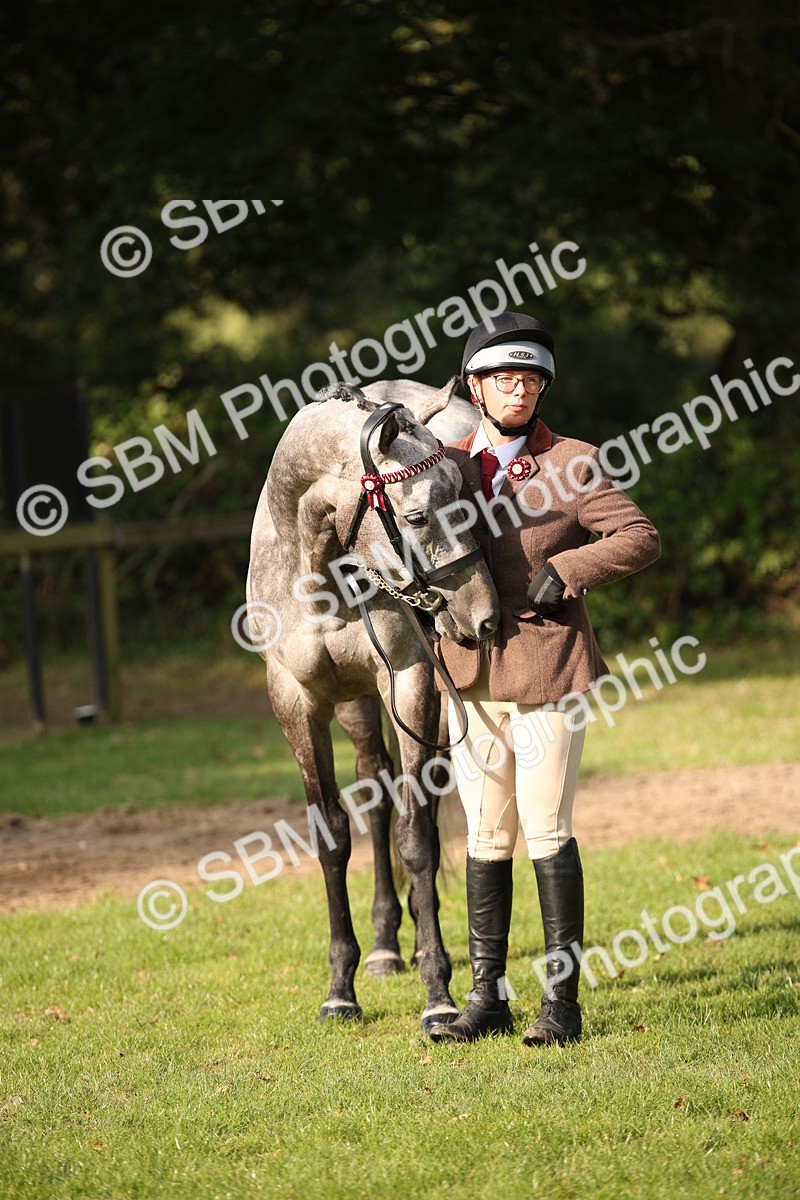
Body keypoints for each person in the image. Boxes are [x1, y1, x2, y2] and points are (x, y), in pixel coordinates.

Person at [428, 312, 661, 1046]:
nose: (518, 389)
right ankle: (487, 999)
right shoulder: (442, 465)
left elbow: (640, 536)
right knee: (485, 834)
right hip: (469, 671)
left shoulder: (574, 461)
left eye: (529, 378)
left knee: (546, 827)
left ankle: (562, 1005)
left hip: (550, 666)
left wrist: (569, 567)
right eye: (503, 378)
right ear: (475, 387)